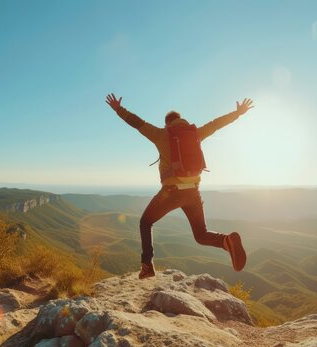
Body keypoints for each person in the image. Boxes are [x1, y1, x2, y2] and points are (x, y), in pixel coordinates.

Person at [105, 93, 254, 279]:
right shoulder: (196, 133)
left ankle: (147, 266)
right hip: (193, 192)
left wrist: (118, 109)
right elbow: (217, 124)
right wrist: (238, 113)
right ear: (181, 120)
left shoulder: (161, 134)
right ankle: (226, 240)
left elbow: (137, 122)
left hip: (171, 192)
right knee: (201, 234)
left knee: (146, 222)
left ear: (167, 124)